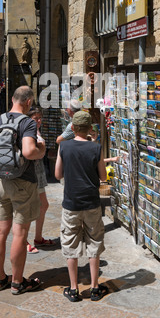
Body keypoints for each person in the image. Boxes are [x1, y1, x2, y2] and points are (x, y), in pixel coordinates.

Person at [0, 85, 46, 295]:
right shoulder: (28, 123)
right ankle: (18, 282)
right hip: (23, 182)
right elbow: (30, 151)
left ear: (12, 99)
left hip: (0, 182)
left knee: (0, 232)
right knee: (20, 234)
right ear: (29, 102)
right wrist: (42, 149)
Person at [55, 110, 108, 302]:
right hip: (91, 202)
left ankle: (74, 288)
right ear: (90, 129)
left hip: (71, 203)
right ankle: (95, 288)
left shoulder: (64, 146)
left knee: (70, 244)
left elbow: (57, 174)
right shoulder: (96, 148)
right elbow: (103, 176)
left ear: (73, 128)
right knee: (94, 243)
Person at [26, 107, 56, 254]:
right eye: (35, 118)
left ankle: (38, 238)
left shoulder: (35, 131)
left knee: (43, 205)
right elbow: (32, 154)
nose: (38, 121)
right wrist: (41, 150)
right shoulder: (27, 132)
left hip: (39, 173)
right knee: (27, 208)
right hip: (30, 174)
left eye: (39, 118)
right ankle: (23, 240)